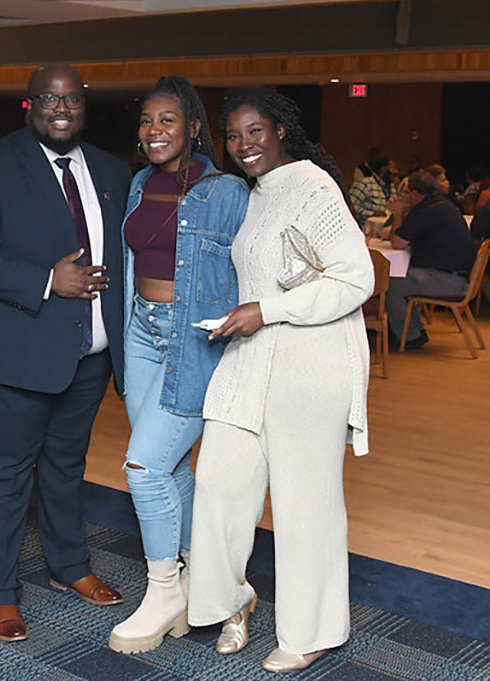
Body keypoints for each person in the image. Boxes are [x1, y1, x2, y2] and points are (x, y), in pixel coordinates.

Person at [188, 89, 373, 673]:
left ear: (282, 131)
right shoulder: (256, 193)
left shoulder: (314, 187)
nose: (244, 145)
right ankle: (233, 596)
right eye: (235, 136)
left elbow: (357, 278)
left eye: (255, 132)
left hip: (311, 364)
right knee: (218, 481)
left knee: (304, 501)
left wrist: (265, 310)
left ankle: (312, 630)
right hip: (251, 360)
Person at [0, 63, 131, 643]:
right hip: (17, 354)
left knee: (66, 469)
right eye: (48, 99)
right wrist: (50, 281)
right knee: (6, 474)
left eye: (71, 99)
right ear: (29, 105)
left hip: (91, 356)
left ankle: (69, 566)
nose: (61, 108)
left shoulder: (110, 169)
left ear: (84, 106)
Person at [106, 76, 248, 654]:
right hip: (141, 330)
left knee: (143, 466)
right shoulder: (141, 182)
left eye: (167, 120)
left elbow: (254, 271)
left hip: (195, 343)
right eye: (146, 120)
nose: (154, 131)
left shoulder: (228, 191)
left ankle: (163, 590)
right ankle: (204, 579)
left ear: (193, 125)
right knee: (170, 469)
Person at [383, 169, 475, 349]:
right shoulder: (440, 205)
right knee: (404, 278)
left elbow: (398, 243)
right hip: (456, 275)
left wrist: (399, 214)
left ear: (415, 192)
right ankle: (414, 331)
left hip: (448, 280)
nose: (406, 196)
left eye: (408, 192)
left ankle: (409, 337)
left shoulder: (425, 211)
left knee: (391, 285)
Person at [348, 156, 394, 226]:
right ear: (383, 169)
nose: (397, 171)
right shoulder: (364, 184)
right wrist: (372, 213)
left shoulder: (391, 187)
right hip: (363, 228)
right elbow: (351, 206)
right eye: (393, 168)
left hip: (385, 228)